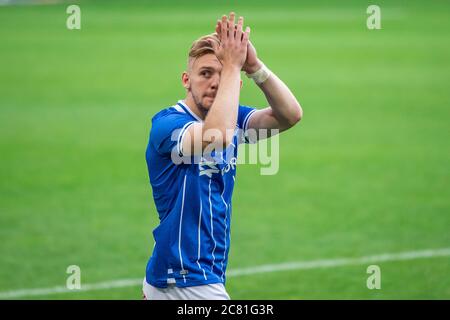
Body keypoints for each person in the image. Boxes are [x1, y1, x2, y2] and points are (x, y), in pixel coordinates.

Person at [143, 12, 302, 300]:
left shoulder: (233, 120)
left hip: (197, 276)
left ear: (236, 86)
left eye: (222, 74)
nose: (214, 82)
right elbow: (215, 137)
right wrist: (231, 67)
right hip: (184, 278)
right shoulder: (167, 125)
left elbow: (290, 115)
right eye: (205, 74)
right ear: (186, 80)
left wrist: (253, 67)